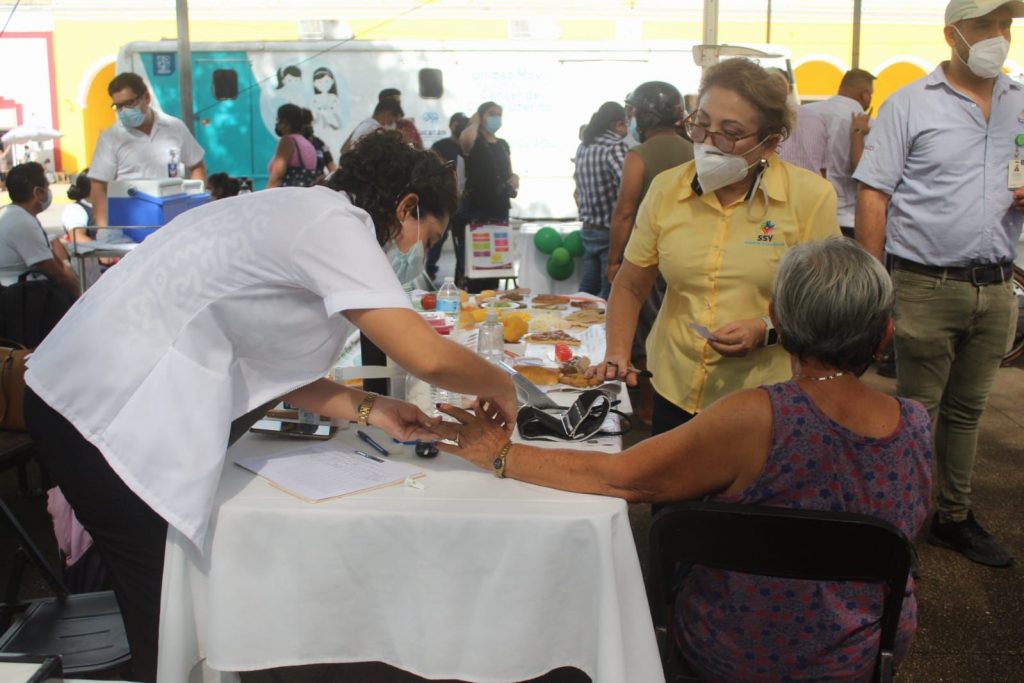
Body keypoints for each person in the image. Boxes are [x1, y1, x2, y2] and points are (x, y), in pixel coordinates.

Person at [22, 131, 517, 682]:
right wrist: (503, 384)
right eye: (427, 237)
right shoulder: (334, 225)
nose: (417, 253)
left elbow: (269, 367)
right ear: (406, 207)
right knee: (164, 609)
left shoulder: (302, 213)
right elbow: (425, 356)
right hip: (97, 407)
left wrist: (374, 409)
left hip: (86, 393)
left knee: (172, 601)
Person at [435, 238, 932, 682]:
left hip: (733, 649)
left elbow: (619, 478)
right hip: (861, 653)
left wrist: (501, 453)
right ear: (885, 334)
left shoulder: (756, 416)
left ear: (776, 319)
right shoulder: (913, 424)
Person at [854, 0, 1024, 568]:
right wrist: (874, 289)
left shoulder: (1019, 103)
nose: (999, 35)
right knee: (916, 411)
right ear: (952, 34)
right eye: (985, 25)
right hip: (925, 284)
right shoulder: (910, 104)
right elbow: (874, 193)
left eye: (1005, 25)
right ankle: (899, 520)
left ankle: (953, 516)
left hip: (996, 285)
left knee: (968, 410)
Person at [598, 58, 840, 436]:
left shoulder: (810, 198)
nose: (708, 144)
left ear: (769, 142)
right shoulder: (667, 189)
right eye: (701, 125)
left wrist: (765, 329)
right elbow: (630, 285)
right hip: (674, 386)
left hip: (763, 397)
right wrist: (617, 351)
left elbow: (826, 304)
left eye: (730, 133)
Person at [607, 81, 693, 426]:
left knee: (644, 336)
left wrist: (614, 261)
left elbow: (625, 212)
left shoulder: (639, 156)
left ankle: (646, 407)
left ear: (644, 115)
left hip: (648, 261)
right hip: (687, 259)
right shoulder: (694, 151)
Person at [88, 72, 207, 228]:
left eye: (129, 103)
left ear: (146, 97)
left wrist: (195, 209)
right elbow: (98, 186)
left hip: (172, 218)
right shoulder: (111, 137)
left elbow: (197, 165)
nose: (124, 111)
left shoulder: (174, 127)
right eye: (118, 106)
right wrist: (104, 230)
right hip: (131, 223)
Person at [805, 68, 875, 238]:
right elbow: (865, 173)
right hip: (846, 217)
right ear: (865, 95)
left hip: (807, 212)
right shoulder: (869, 124)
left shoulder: (806, 113)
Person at [459, 101, 519, 291]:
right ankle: (473, 294)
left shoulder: (502, 144)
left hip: (500, 207)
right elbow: (465, 141)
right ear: (481, 116)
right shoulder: (474, 141)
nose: (496, 118)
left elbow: (507, 170)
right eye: (492, 114)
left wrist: (514, 178)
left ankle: (492, 295)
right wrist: (474, 123)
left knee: (496, 260)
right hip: (478, 207)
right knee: (477, 259)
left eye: (499, 114)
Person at [573, 102, 630, 300]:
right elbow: (628, 188)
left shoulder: (584, 146)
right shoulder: (615, 147)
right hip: (611, 231)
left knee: (587, 291)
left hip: (589, 228)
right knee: (610, 293)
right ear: (618, 124)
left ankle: (577, 320)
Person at [0, 162, 80, 295]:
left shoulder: (16, 215)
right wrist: (80, 296)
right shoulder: (22, 222)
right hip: (18, 298)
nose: (49, 191)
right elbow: (56, 274)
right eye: (47, 186)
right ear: (38, 192)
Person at [426, 112, 470, 283]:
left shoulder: (470, 147)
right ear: (452, 125)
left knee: (462, 241)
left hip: (464, 202)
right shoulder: (440, 146)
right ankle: (430, 269)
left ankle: (461, 274)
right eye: (459, 124)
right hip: (443, 200)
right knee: (438, 237)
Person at [770, 68, 830, 177]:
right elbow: (824, 168)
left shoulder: (763, 118)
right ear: (789, 89)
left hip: (777, 184)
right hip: (812, 184)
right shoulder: (815, 118)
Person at [266, 103, 319, 188]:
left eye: (278, 120)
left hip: (287, 194)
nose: (277, 124)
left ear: (285, 122)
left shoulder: (287, 141)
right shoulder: (308, 144)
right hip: (304, 193)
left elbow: (277, 176)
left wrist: (267, 193)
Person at [302, 107, 336, 179]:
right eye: (304, 123)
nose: (308, 126)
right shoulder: (291, 144)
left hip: (319, 183)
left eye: (309, 123)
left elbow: (331, 165)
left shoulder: (319, 143)